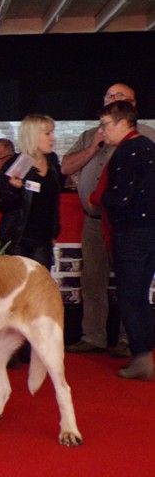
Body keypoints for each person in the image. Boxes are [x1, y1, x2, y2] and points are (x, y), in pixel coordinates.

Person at [62, 84, 155, 356]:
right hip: (95, 221)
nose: (111, 100)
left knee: (131, 285)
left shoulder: (143, 139)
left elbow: (123, 192)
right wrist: (94, 146)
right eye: (108, 97)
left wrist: (102, 199)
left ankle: (131, 342)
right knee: (93, 279)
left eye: (118, 98)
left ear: (130, 109)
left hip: (127, 224)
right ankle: (94, 335)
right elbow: (65, 167)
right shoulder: (90, 135)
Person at [92, 101, 155, 380]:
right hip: (149, 231)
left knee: (130, 296)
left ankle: (141, 356)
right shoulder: (148, 147)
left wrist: (99, 198)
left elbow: (119, 198)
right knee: (141, 295)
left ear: (122, 123)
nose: (102, 131)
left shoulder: (127, 151)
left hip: (132, 233)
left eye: (105, 125)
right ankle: (145, 353)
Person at [0, 114, 63, 270]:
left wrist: (54, 233)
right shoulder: (17, 164)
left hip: (43, 240)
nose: (53, 138)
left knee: (42, 281)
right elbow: (2, 205)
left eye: (52, 132)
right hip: (19, 239)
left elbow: (53, 203)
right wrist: (14, 189)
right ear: (33, 136)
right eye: (48, 133)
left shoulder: (52, 161)